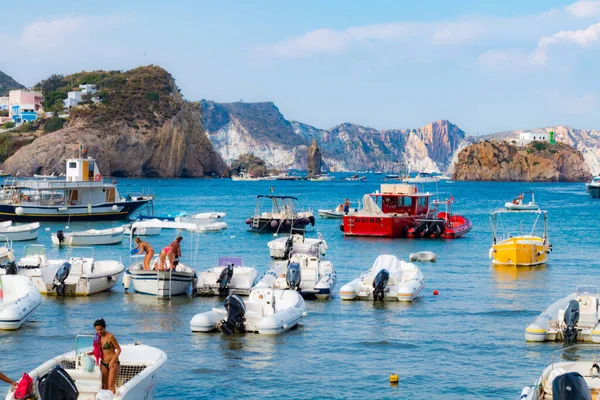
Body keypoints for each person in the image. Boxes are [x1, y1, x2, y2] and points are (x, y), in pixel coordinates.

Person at [91, 319, 121, 394]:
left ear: (104, 327)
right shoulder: (97, 337)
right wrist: (86, 354)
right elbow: (95, 351)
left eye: (101, 329)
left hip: (113, 363)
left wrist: (112, 361)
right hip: (103, 363)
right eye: (97, 330)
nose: (99, 331)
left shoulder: (110, 336)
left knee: (111, 385)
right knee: (104, 385)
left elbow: (119, 349)